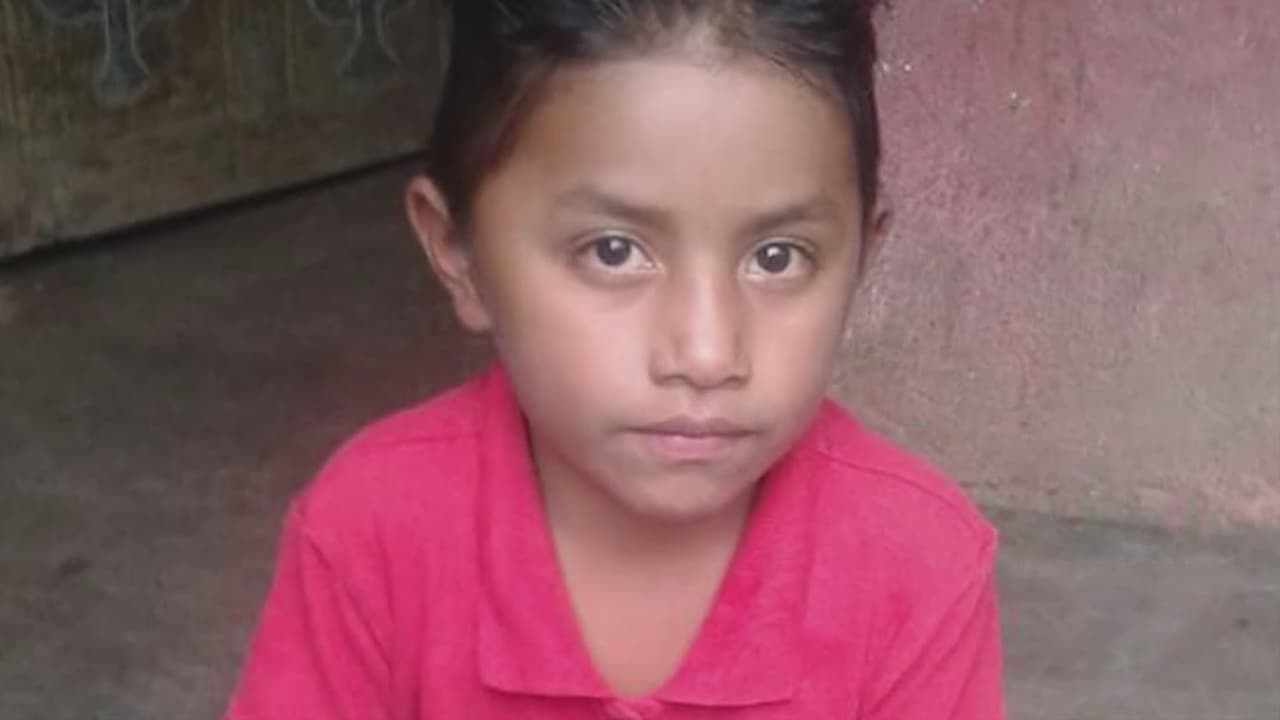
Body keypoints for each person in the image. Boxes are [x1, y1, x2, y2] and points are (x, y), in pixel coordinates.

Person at [223, 1, 1006, 718]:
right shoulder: (369, 533)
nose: (706, 354)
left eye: (777, 257)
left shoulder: (919, 570)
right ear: (458, 251)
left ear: (862, 255)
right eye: (613, 250)